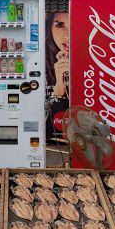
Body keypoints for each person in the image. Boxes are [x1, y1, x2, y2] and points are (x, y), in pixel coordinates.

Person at [45, 12, 69, 140]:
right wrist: (59, 88)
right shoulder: (42, 65)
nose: (68, 34)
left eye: (74, 24)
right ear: (49, 27)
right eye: (60, 25)